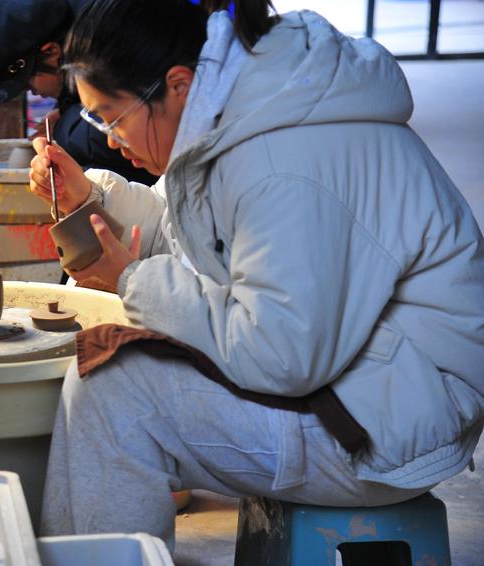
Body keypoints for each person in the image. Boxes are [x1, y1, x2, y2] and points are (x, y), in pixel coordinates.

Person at [28, 0, 484, 551]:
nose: (107, 139)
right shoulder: (238, 109)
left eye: (112, 118)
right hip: (358, 373)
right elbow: (183, 235)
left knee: (113, 391)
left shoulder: (282, 162)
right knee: (108, 358)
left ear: (176, 84)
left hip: (395, 416)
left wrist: (135, 282)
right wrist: (91, 197)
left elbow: (282, 355)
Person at [0, 0, 158, 185]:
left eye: (28, 83)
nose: (34, 93)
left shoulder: (106, 35)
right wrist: (65, 109)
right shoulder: (72, 33)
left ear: (52, 51)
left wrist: (65, 126)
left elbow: (122, 127)